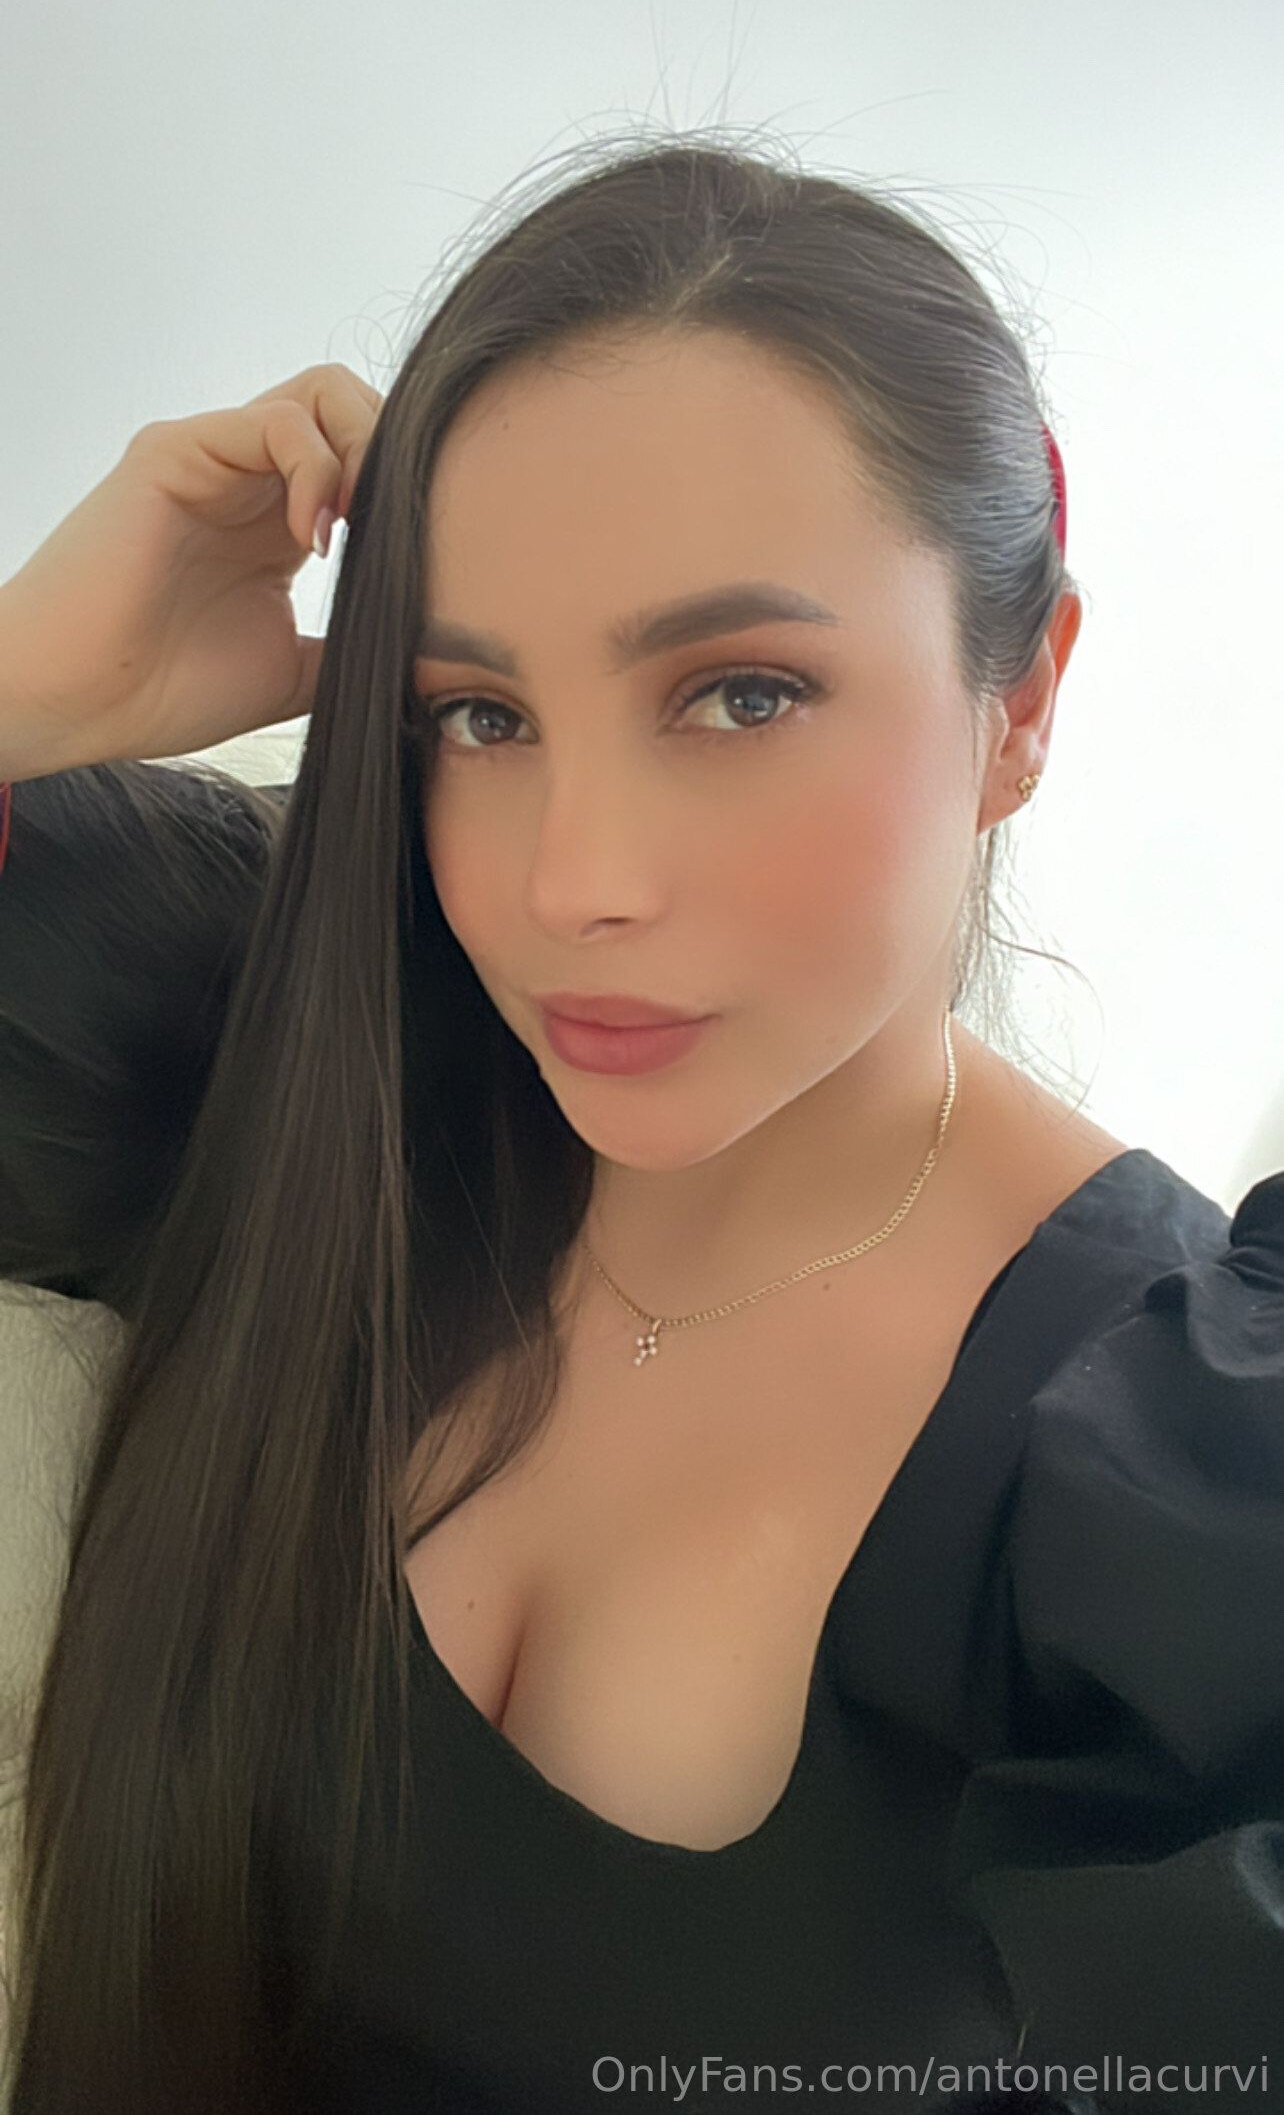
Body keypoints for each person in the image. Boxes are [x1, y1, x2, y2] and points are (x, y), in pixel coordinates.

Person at [0, 133, 1281, 2115]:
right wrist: (21, 685)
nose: (570, 883)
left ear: (1022, 699)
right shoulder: (303, 1061)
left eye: (740, 694)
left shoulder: (1182, 1475)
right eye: (480, 714)